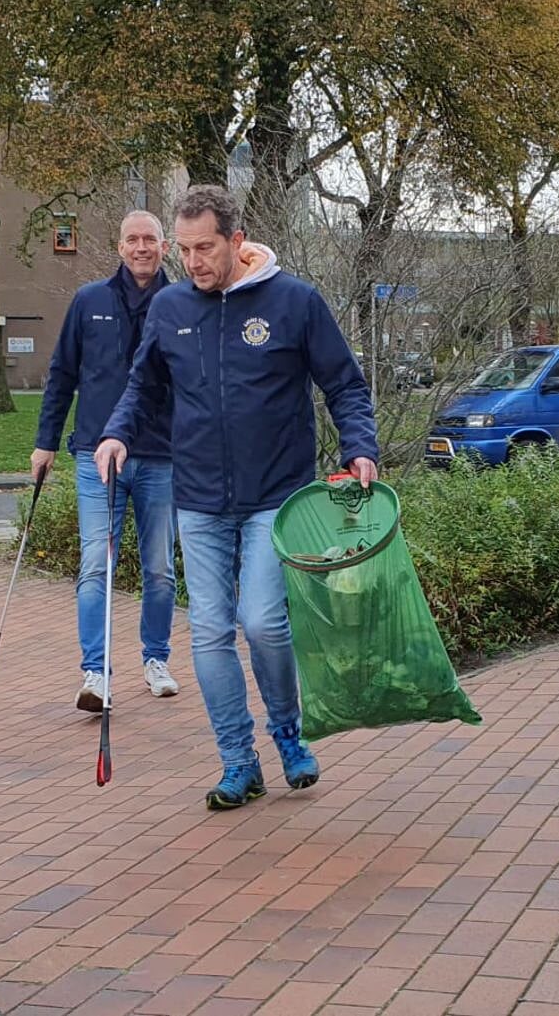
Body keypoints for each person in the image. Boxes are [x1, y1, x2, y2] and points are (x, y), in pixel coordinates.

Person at [96, 185, 379, 810]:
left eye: (206, 248)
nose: (193, 262)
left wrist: (359, 445)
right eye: (186, 249)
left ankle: (288, 733)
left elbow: (345, 385)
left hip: (275, 495)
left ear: (236, 241)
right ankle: (238, 762)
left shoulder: (294, 302)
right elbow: (142, 385)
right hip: (197, 497)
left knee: (264, 622)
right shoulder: (170, 307)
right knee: (210, 634)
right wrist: (117, 432)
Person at [31, 211, 180, 714]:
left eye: (151, 240)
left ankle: (156, 658)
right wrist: (45, 441)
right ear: (119, 246)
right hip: (96, 455)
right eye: (133, 240)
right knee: (97, 564)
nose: (142, 248)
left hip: (162, 454)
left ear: (165, 247)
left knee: (159, 569)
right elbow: (62, 373)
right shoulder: (89, 301)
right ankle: (95, 673)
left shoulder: (182, 302)